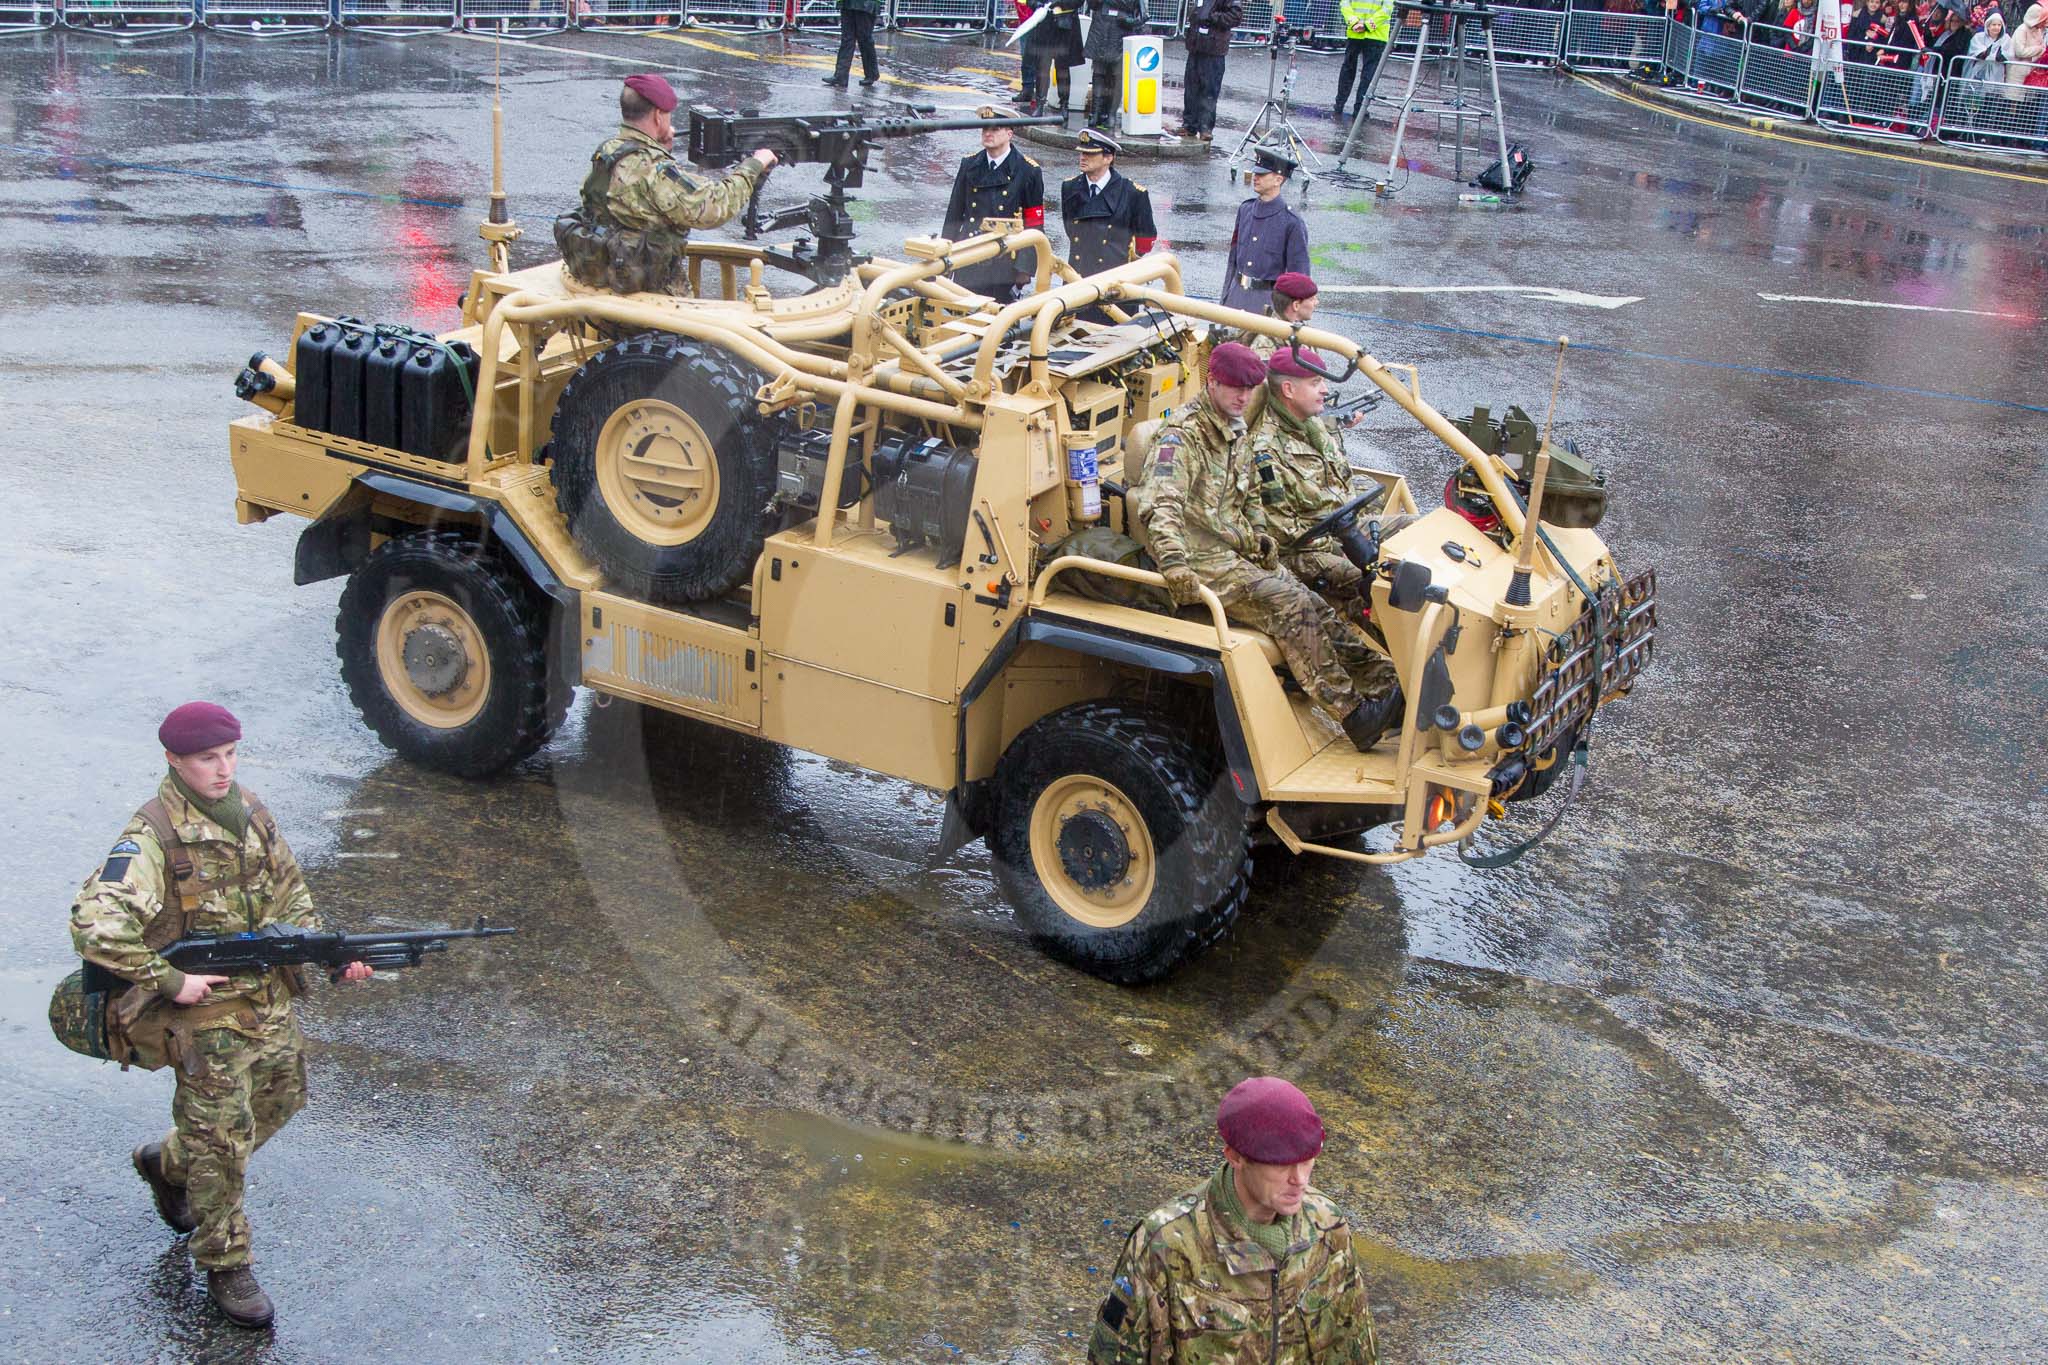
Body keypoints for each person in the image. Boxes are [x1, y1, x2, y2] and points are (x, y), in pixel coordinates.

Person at [70, 703, 372, 1329]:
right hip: (204, 1016)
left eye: (231, 754)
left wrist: (330, 953)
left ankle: (169, 1165)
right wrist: (170, 979)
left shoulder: (249, 810)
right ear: (174, 761)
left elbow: (290, 891)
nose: (223, 769)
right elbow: (94, 925)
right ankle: (225, 1262)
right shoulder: (150, 838)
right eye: (208, 758)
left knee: (283, 1099)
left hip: (267, 999)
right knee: (222, 1138)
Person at [1127, 343, 1404, 752]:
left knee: (1316, 603)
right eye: (1235, 388)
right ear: (1212, 382)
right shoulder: (1183, 439)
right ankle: (1353, 714)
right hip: (1199, 558)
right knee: (1289, 604)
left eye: (1249, 389)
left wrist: (1260, 537)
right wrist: (1175, 564)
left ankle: (1384, 684)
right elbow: (1160, 506)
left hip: (1236, 552)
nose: (1243, 397)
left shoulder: (1234, 429)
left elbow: (1248, 497)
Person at [1086, 1076, 1380, 1363]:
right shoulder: (1165, 1244)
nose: (1299, 1179)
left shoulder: (1327, 1226)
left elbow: (1355, 1345)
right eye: (1281, 1165)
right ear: (1235, 1157)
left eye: (1307, 1159)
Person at [554, 74, 779, 295]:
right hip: (651, 300)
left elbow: (632, 190)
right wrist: (754, 165)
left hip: (604, 286)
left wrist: (659, 146)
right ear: (658, 116)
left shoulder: (607, 152)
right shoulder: (655, 170)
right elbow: (713, 207)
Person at [1247, 348, 1413, 645]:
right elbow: (1280, 535)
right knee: (1378, 583)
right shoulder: (1265, 450)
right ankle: (1394, 653)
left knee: (1417, 529)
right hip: (1303, 552)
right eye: (1315, 383)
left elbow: (1339, 482)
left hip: (1342, 527)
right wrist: (1344, 545)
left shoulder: (1312, 427)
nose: (1325, 390)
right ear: (1288, 389)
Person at [941, 106, 1048, 301]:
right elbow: (954, 215)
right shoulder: (969, 164)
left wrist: (1024, 269)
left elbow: (1034, 223)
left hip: (1004, 262)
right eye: (984, 129)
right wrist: (944, 256)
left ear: (1009, 133)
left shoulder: (1028, 171)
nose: (988, 133)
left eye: (995, 129)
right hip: (968, 256)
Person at [1060, 127, 1159, 283]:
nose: (1083, 157)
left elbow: (1146, 240)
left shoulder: (1133, 194)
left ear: (1108, 158)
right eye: (1082, 152)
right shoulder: (1069, 187)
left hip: (1116, 283)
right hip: (1077, 279)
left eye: (1090, 153)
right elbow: (1071, 231)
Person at [1219, 146, 1310, 313]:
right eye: (1256, 173)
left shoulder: (1292, 222)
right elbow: (1233, 260)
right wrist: (1225, 297)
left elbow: (1300, 277)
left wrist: (1289, 315)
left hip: (1268, 303)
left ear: (1278, 180)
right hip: (1235, 296)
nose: (1256, 177)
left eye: (1262, 174)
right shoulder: (1245, 210)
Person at [1178, 0, 1245, 141]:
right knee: (1191, 88)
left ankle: (1205, 128)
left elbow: (1235, 17)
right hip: (1196, 46)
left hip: (1214, 49)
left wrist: (1211, 16)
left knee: (1209, 90)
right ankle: (1189, 125)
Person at [1084, 0, 1148, 129]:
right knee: (1098, 74)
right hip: (1101, 29)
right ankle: (1096, 113)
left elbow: (1144, 16)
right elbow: (1091, 5)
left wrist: (1128, 21)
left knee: (1117, 77)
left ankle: (1110, 114)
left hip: (1120, 33)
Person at [1026, 0, 1087, 118]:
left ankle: (1064, 104)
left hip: (1065, 25)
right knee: (1042, 66)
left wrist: (1060, 3)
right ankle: (1040, 103)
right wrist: (1036, 4)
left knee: (1062, 67)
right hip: (1044, 24)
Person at [1334, 0, 1392, 125]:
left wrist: (1354, 22)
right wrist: (1368, 25)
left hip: (1356, 32)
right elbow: (1387, 8)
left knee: (1348, 69)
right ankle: (1360, 109)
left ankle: (1339, 104)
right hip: (1376, 34)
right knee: (1368, 73)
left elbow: (1345, 4)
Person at [822, 0, 883, 89]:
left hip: (865, 4)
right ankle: (840, 76)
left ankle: (871, 74)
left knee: (864, 40)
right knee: (847, 40)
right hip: (848, 4)